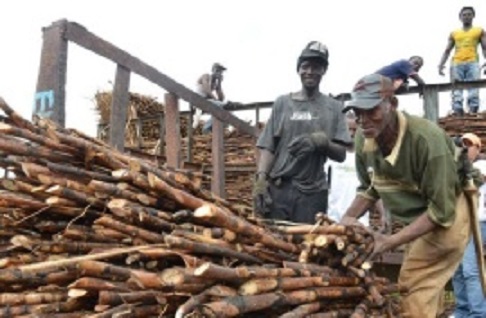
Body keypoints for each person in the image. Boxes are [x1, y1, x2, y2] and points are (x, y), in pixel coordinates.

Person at [340, 73, 470, 317]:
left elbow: (441, 211)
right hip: (419, 216)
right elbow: (370, 186)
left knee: (412, 284)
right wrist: (345, 220)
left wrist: (388, 242)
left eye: (372, 110)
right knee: (425, 287)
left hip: (447, 212)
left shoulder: (426, 141)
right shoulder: (363, 137)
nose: (364, 120)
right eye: (358, 112)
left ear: (392, 105)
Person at [253, 41, 352, 224]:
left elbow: (341, 155)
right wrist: (261, 179)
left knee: (306, 247)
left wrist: (322, 143)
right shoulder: (282, 103)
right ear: (298, 69)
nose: (310, 71)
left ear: (324, 70)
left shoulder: (334, 108)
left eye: (317, 67)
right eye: (305, 66)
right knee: (272, 246)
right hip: (279, 189)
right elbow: (268, 146)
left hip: (312, 194)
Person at [326, 111, 388, 230]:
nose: (351, 133)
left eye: (355, 130)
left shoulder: (366, 157)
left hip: (359, 223)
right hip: (333, 219)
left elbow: (372, 188)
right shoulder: (332, 158)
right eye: (348, 130)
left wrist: (383, 213)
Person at [452, 132, 486, 318]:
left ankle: (478, 313)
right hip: (460, 224)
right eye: (462, 145)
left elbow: (476, 179)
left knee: (470, 269)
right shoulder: (458, 168)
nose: (465, 149)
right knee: (456, 270)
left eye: (470, 145)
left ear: (478, 148)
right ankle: (462, 311)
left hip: (477, 223)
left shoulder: (481, 165)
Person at [438, 6, 486, 116]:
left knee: (473, 87)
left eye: (469, 14)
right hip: (456, 63)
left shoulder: (479, 30)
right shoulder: (454, 33)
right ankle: (457, 111)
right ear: (460, 17)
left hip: (472, 62)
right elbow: (447, 50)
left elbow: (484, 47)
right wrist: (441, 65)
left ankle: (473, 111)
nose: (467, 17)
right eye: (464, 15)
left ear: (473, 16)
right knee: (456, 88)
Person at [193, 62, 227, 133]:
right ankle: (206, 128)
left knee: (225, 108)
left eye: (221, 71)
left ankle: (215, 129)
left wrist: (219, 84)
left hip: (207, 102)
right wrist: (216, 100)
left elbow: (221, 99)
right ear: (213, 70)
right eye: (218, 70)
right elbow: (206, 89)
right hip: (199, 101)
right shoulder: (206, 76)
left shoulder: (215, 83)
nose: (219, 73)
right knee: (221, 105)